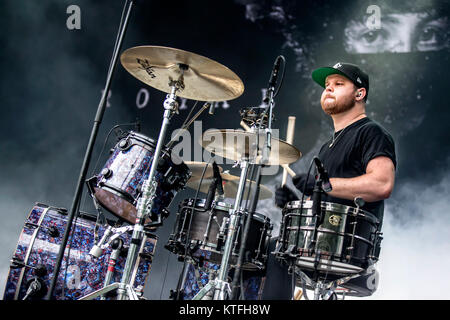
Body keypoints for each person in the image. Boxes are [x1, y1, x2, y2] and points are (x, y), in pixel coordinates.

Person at [264, 62, 396, 299]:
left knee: (277, 250)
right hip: (320, 236)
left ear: (359, 93)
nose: (328, 89)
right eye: (326, 86)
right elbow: (325, 198)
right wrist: (294, 204)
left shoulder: (371, 132)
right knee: (253, 248)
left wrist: (322, 184)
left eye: (338, 84)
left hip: (347, 247)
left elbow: (381, 184)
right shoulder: (328, 146)